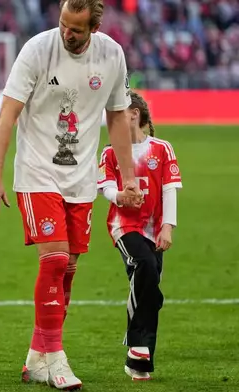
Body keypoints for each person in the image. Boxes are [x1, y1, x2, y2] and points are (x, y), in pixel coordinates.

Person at [0, 0, 144, 389]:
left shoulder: (112, 55)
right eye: (63, 25)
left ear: (94, 28)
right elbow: (7, 114)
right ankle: (56, 358)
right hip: (37, 173)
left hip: (81, 178)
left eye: (76, 29)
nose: (67, 34)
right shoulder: (38, 49)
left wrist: (130, 177)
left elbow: (118, 116)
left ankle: (36, 358)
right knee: (53, 261)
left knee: (68, 269)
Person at [97, 91, 182, 381]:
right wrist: (120, 196)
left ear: (134, 113)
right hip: (123, 225)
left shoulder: (162, 148)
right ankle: (136, 341)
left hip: (154, 228)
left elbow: (170, 188)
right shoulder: (110, 152)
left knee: (149, 290)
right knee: (145, 267)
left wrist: (168, 226)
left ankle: (139, 363)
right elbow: (105, 186)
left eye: (117, 113)